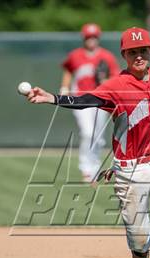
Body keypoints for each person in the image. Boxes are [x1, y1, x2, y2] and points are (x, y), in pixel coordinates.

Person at [27, 27, 150, 258]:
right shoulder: (116, 85)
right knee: (140, 243)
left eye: (143, 50)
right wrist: (52, 98)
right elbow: (85, 100)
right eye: (133, 52)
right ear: (124, 55)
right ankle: (140, 246)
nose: (139, 56)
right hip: (130, 170)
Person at [61, 23, 120, 182]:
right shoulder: (75, 55)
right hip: (80, 99)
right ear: (84, 38)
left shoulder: (106, 56)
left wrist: (105, 80)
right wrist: (64, 87)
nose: (91, 40)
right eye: (88, 37)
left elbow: (116, 78)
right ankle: (86, 168)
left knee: (98, 137)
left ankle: (94, 167)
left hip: (100, 100)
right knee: (88, 132)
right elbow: (68, 70)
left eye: (94, 37)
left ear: (98, 38)